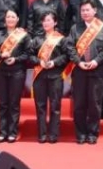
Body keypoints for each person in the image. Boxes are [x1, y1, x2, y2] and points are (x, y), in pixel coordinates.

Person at [67, 0, 103, 144]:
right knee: (79, 104)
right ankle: (80, 134)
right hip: (80, 71)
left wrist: (96, 61)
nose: (85, 13)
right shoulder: (75, 28)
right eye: (82, 10)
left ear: (95, 11)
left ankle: (93, 133)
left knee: (95, 103)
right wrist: (78, 62)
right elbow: (70, 47)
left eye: (88, 10)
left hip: (97, 70)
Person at [0, 9, 31, 143]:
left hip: (17, 72)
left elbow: (28, 54)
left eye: (13, 17)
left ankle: (12, 132)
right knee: (2, 103)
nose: (10, 19)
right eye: (8, 17)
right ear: (5, 19)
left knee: (14, 103)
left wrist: (16, 59)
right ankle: (2, 132)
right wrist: (1, 55)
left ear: (17, 19)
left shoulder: (23, 36)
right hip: (1, 72)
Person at [31, 11, 72, 143]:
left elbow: (66, 56)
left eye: (49, 20)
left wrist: (54, 62)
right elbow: (30, 55)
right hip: (40, 75)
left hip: (55, 75)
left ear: (55, 22)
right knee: (40, 106)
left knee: (55, 106)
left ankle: (53, 135)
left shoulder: (61, 39)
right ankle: (42, 134)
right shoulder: (36, 39)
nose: (46, 23)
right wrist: (39, 61)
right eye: (44, 20)